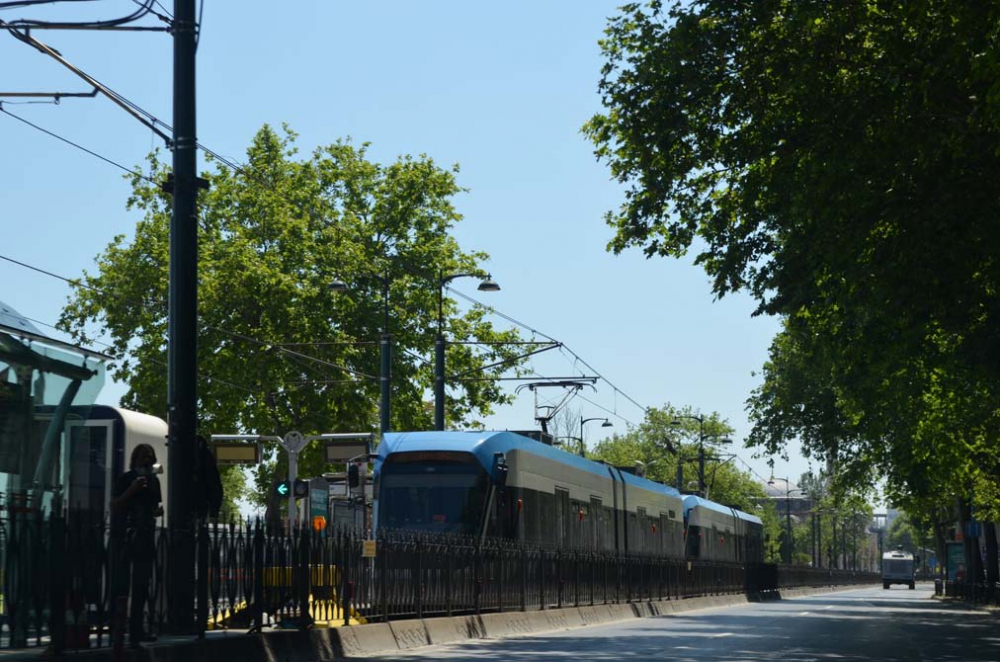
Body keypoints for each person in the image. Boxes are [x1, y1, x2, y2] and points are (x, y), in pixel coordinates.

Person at [110, 443, 163, 647]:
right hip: (126, 535)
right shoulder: (126, 479)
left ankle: (136, 631)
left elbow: (153, 507)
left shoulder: (154, 482)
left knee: (142, 585)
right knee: (121, 584)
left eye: (150, 456)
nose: (147, 459)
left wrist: (156, 513)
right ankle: (118, 629)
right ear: (135, 459)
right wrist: (131, 491)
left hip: (145, 536)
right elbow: (114, 505)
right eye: (143, 456)